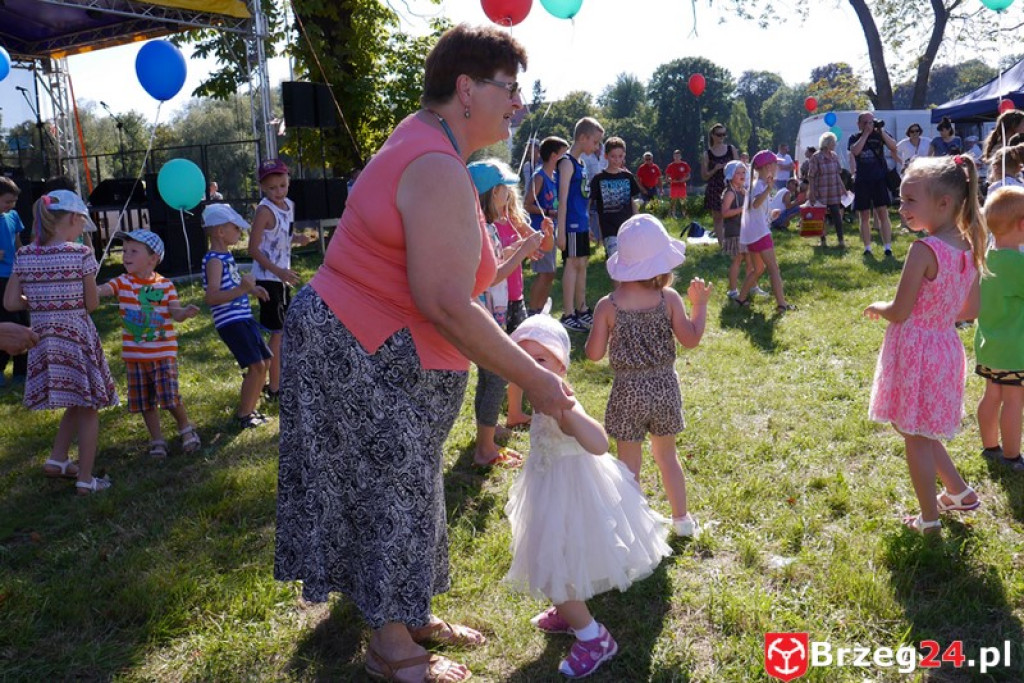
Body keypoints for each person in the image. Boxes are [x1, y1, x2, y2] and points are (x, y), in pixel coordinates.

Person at [274, 25, 572, 683]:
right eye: (509, 88)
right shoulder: (433, 163)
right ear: (466, 89)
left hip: (375, 343)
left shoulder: (439, 152)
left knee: (414, 487)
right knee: (389, 486)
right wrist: (540, 383)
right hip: (354, 342)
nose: (517, 103)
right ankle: (389, 645)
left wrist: (517, 253)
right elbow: (444, 303)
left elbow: (467, 275)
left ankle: (408, 613)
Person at [505, 313, 671, 679]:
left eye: (541, 360)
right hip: (549, 484)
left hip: (571, 491)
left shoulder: (561, 399)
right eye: (523, 361)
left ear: (562, 365)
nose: (531, 369)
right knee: (556, 555)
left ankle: (594, 638)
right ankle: (570, 612)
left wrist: (567, 413)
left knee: (550, 566)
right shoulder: (537, 390)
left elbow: (597, 442)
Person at [864, 155, 986, 533]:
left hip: (916, 349)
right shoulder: (970, 246)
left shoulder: (924, 250)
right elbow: (971, 310)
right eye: (901, 200)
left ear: (944, 203)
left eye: (910, 201)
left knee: (914, 436)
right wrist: (939, 314)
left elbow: (900, 310)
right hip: (945, 349)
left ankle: (929, 519)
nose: (902, 208)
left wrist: (878, 307)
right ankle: (959, 492)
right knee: (920, 429)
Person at [585, 213, 709, 536]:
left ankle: (634, 528)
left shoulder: (607, 306)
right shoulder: (669, 299)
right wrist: (700, 306)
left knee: (629, 468)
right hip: (665, 388)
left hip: (627, 393)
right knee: (667, 457)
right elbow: (691, 339)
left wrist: (596, 331)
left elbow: (594, 354)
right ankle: (682, 520)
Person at [3, 190, 118, 494]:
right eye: (82, 221)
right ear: (71, 219)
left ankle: (57, 460)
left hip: (43, 338)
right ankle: (86, 479)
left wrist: (42, 302)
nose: (83, 228)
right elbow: (91, 304)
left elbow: (12, 301)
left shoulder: (24, 255)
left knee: (76, 400)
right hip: (76, 337)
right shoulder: (80, 254)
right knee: (89, 404)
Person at [98, 230, 201, 457]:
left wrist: (186, 312)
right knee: (145, 402)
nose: (126, 255)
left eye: (134, 251)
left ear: (153, 258)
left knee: (170, 397)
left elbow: (176, 313)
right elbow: (104, 290)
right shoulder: (122, 282)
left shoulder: (165, 285)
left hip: (162, 353)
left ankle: (186, 428)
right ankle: (157, 439)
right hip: (135, 357)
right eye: (125, 250)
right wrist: (91, 290)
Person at [468, 159, 544, 465]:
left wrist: (517, 248)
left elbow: (495, 259)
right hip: (488, 314)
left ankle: (486, 432)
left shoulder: (481, 227)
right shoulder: (482, 230)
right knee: (496, 375)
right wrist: (523, 252)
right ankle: (485, 449)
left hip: (488, 313)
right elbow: (492, 275)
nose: (507, 195)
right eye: (503, 190)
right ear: (492, 193)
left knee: (489, 376)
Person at [248, 159, 315, 401]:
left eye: (283, 185)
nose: (278, 192)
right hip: (268, 279)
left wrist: (298, 239)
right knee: (278, 334)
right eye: (272, 188)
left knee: (284, 332)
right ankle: (275, 387)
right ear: (263, 188)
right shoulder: (264, 211)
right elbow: (253, 249)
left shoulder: (289, 205)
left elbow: (283, 236)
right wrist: (278, 272)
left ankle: (277, 381)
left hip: (282, 277)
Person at [200, 203, 272, 429]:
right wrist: (242, 290)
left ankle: (251, 408)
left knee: (265, 362)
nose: (240, 233)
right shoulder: (214, 260)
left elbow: (232, 282)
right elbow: (211, 297)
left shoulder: (226, 257)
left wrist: (252, 290)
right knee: (257, 364)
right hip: (230, 321)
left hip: (243, 317)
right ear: (220, 231)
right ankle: (244, 414)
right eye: (236, 228)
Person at [976, 186, 1024, 471]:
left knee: (991, 395)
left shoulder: (984, 259)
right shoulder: (1018, 264)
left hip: (988, 345)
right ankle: (1012, 456)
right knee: (1014, 400)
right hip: (1013, 348)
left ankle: (990, 447)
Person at [555, 116, 604, 333]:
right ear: (582, 138)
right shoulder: (566, 163)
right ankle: (568, 313)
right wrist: (561, 231)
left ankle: (582, 309)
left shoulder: (581, 164)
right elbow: (563, 199)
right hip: (571, 224)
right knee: (572, 265)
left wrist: (589, 227)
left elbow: (582, 198)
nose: (597, 147)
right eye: (595, 142)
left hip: (582, 223)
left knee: (582, 264)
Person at [734, 151, 796, 312]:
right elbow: (755, 204)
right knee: (773, 268)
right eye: (776, 164)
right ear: (768, 166)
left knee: (758, 269)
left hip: (754, 234)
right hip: (760, 234)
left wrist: (771, 214)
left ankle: (740, 299)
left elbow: (757, 209)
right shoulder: (759, 185)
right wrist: (768, 189)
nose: (778, 167)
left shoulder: (758, 184)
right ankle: (782, 304)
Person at [524, 135, 566, 314]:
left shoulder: (555, 176)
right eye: (564, 154)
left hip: (552, 229)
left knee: (550, 272)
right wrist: (550, 213)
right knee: (545, 272)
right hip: (540, 230)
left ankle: (540, 310)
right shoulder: (539, 177)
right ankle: (532, 311)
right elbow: (527, 204)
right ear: (554, 155)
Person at [848, 111, 900, 256]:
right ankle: (867, 248)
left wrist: (881, 131)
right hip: (862, 180)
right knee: (864, 215)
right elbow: (856, 151)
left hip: (879, 179)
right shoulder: (854, 137)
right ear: (859, 124)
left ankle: (888, 247)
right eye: (865, 122)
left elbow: (893, 146)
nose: (869, 125)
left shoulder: (880, 135)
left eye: (871, 122)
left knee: (883, 212)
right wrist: (865, 134)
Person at [588, 136, 641, 261]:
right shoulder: (598, 179)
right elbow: (589, 203)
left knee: (630, 262)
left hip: (628, 228)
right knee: (616, 263)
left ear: (624, 156)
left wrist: (638, 221)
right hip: (609, 229)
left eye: (620, 156)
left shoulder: (628, 176)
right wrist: (588, 226)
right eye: (613, 156)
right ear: (605, 156)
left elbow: (632, 201)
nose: (617, 160)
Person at [0, 177, 29, 388]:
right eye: (7, 201)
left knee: (24, 322)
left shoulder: (13, 216)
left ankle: (22, 371)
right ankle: (0, 369)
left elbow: (18, 243)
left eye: (13, 201)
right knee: (5, 325)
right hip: (0, 279)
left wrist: (24, 261)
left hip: (16, 276)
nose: (11, 206)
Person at [807, 131, 847, 249]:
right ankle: (823, 240)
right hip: (821, 191)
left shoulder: (834, 156)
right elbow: (811, 176)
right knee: (821, 217)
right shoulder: (816, 157)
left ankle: (841, 240)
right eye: (833, 142)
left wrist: (843, 189)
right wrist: (812, 192)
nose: (835, 144)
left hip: (834, 191)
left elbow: (837, 174)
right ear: (827, 143)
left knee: (837, 216)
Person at [701, 123, 738, 243]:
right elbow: (704, 176)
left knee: (733, 215)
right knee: (718, 218)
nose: (722, 137)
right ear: (712, 135)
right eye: (719, 134)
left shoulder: (731, 149)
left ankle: (734, 242)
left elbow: (739, 167)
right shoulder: (708, 154)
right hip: (714, 188)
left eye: (724, 134)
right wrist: (715, 169)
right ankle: (722, 245)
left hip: (730, 187)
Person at [720, 160, 750, 299]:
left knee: (749, 258)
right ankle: (732, 290)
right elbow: (724, 213)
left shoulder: (742, 190)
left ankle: (751, 286)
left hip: (744, 230)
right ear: (731, 175)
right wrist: (741, 209)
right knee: (738, 259)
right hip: (734, 231)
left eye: (743, 172)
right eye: (738, 173)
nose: (741, 175)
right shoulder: (730, 193)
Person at [665, 149, 691, 219]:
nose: (677, 157)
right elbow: (667, 178)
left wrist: (683, 179)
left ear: (681, 156)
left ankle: (685, 215)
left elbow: (689, 175)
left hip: (682, 185)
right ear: (673, 157)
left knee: (683, 201)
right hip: (673, 186)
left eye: (678, 156)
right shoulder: (670, 165)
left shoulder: (684, 164)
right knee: (673, 202)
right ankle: (673, 216)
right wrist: (672, 181)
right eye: (675, 156)